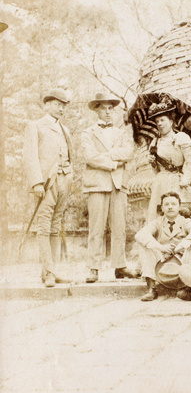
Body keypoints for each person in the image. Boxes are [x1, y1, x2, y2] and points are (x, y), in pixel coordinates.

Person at [82, 93, 139, 283]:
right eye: (104, 108)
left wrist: (106, 155)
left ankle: (120, 266)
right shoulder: (88, 133)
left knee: (119, 227)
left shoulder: (121, 132)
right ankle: (93, 268)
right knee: (96, 227)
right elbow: (90, 157)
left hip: (118, 183)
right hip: (97, 183)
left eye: (110, 108)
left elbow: (129, 153)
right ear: (96, 110)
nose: (108, 112)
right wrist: (114, 161)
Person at [23, 88, 73, 288]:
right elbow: (30, 156)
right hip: (45, 183)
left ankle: (51, 271)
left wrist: (70, 175)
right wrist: (36, 182)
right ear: (47, 105)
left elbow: (70, 155)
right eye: (58, 105)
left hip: (64, 181)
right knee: (44, 226)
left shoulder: (65, 129)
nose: (61, 109)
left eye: (63, 106)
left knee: (55, 227)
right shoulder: (34, 126)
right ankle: (49, 272)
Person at [134, 192, 191, 301]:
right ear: (162, 207)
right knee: (144, 244)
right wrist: (161, 248)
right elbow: (140, 235)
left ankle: (190, 285)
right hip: (162, 262)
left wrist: (180, 246)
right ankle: (151, 288)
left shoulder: (185, 222)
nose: (170, 207)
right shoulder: (158, 223)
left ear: (179, 206)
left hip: (181, 262)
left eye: (173, 204)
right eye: (166, 204)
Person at [146, 100, 191, 221]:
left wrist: (185, 180)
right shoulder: (155, 142)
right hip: (160, 182)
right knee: (157, 215)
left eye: (162, 120)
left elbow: (190, 161)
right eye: (157, 121)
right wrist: (152, 163)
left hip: (176, 181)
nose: (160, 124)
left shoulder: (181, 137)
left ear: (171, 122)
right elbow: (156, 170)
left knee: (175, 213)